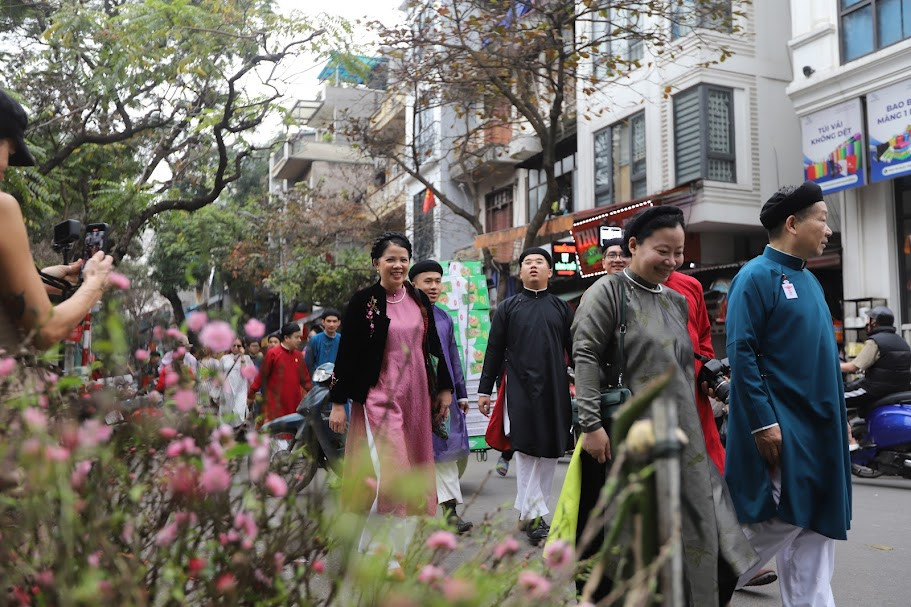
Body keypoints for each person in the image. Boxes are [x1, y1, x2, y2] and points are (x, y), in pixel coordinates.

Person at [572, 206, 756, 605]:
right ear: (633, 245)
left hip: (683, 434)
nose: (672, 261)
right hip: (628, 439)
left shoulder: (676, 300)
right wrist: (590, 425)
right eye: (663, 251)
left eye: (678, 252)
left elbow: (683, 362)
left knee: (709, 535)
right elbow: (585, 355)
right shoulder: (607, 292)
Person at [725, 182, 851, 606]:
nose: (828, 230)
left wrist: (840, 424)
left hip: (821, 429)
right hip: (785, 427)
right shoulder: (754, 276)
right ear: (793, 224)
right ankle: (694, 584)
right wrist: (763, 422)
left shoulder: (810, 281)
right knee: (776, 520)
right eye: (823, 220)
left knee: (816, 532)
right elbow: (742, 353)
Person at [328, 232, 453, 576]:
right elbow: (347, 353)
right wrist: (337, 402)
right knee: (393, 473)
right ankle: (389, 556)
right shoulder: (363, 302)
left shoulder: (418, 299)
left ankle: (383, 546)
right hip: (379, 397)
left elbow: (433, 345)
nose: (398, 265)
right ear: (376, 263)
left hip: (416, 395)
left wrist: (444, 388)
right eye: (390, 259)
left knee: (412, 474)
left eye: (403, 259)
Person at [0, 89, 114, 353]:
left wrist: (46, 280)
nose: (6, 164)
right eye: (9, 149)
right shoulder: (3, 208)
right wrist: (94, 285)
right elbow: (45, 330)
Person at [478, 247, 573, 546]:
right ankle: (534, 517)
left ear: (550, 271)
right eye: (527, 262)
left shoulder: (561, 309)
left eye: (539, 262)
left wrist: (584, 383)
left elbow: (575, 350)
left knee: (550, 451)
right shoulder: (507, 308)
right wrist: (484, 390)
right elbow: (494, 350)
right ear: (520, 273)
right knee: (526, 450)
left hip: (555, 388)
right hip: (518, 388)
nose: (533, 266)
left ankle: (530, 512)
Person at [409, 260, 472, 534]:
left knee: (445, 455)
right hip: (412, 397)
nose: (434, 286)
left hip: (442, 399)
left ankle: (450, 514)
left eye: (437, 281)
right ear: (413, 284)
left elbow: (453, 357)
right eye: (428, 281)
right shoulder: (405, 316)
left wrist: (461, 393)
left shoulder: (444, 317)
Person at [841, 306, 911, 418]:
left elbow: (853, 367)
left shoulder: (875, 341)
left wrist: (833, 366)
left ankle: (843, 429)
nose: (866, 322)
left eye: (868, 319)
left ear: (874, 322)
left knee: (836, 397)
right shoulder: (902, 341)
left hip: (875, 389)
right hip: (896, 388)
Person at [248, 323, 312, 422]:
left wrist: (314, 393)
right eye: (296, 337)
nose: (299, 340)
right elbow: (261, 376)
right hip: (275, 406)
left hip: (294, 404)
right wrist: (251, 393)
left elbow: (305, 380)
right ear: (286, 338)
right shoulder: (273, 354)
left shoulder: (299, 356)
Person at [220, 338, 253, 427]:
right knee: (226, 415)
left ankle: (238, 431)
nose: (236, 348)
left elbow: (246, 374)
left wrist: (242, 356)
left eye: (238, 346)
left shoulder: (247, 358)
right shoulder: (224, 358)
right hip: (227, 390)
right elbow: (220, 375)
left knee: (239, 413)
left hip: (241, 390)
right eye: (233, 345)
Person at [305, 309, 341, 375]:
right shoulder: (315, 340)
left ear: (339, 323)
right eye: (328, 321)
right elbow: (309, 363)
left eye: (334, 321)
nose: (331, 324)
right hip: (318, 379)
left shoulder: (341, 339)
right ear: (323, 322)